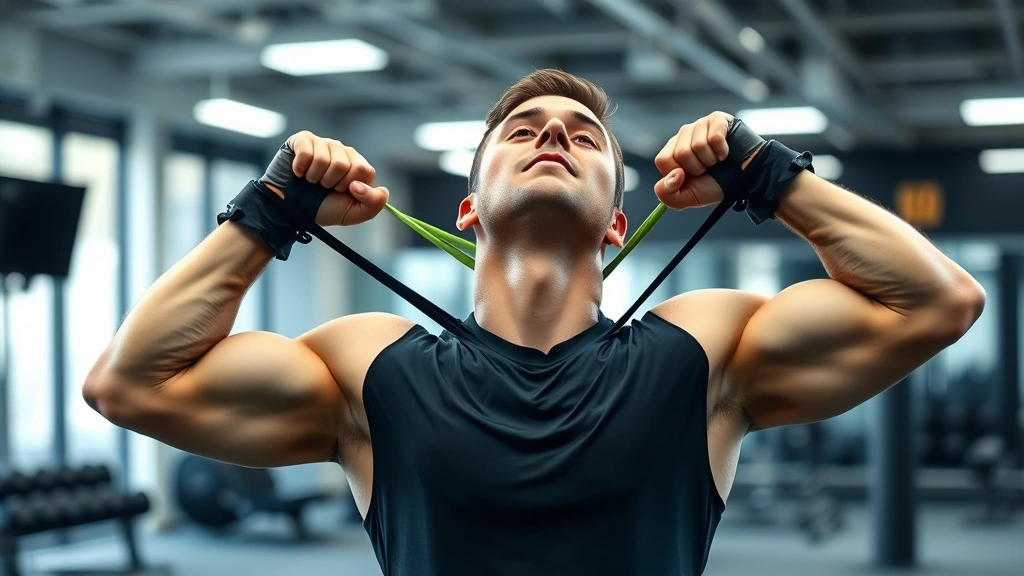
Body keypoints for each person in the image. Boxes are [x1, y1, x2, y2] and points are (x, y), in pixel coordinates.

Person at [83, 69, 985, 575]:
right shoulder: (372, 366)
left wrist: (772, 177)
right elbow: (128, 383)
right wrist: (268, 210)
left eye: (584, 136)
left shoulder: (703, 350)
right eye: (521, 130)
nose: (554, 132)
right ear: (468, 209)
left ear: (619, 222)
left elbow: (937, 301)